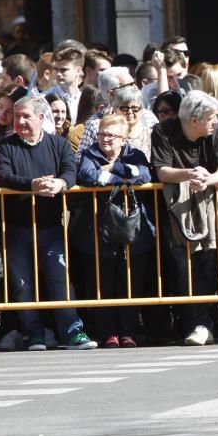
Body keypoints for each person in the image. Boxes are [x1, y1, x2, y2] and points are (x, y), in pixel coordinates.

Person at [0, 95, 95, 350]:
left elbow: (70, 171)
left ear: (41, 118)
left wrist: (60, 183)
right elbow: (3, 175)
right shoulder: (6, 146)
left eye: (26, 116)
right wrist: (32, 184)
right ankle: (33, 333)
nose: (20, 121)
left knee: (60, 278)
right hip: (15, 227)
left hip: (51, 226)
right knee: (22, 283)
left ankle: (72, 331)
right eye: (17, 116)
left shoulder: (58, 145)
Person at [150, 90, 218, 345]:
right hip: (176, 210)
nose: (216, 123)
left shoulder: (216, 133)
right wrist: (189, 174)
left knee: (208, 264)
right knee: (184, 266)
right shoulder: (163, 131)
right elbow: (162, 170)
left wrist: (208, 178)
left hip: (209, 208)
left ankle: (204, 324)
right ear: (194, 120)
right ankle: (192, 323)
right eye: (210, 118)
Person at [75, 114, 154, 348]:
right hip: (99, 229)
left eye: (111, 135)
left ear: (123, 138)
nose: (105, 139)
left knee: (129, 278)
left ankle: (128, 330)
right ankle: (108, 331)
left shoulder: (134, 153)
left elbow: (145, 174)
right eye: (102, 134)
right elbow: (88, 175)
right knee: (102, 280)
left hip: (131, 229)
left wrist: (115, 168)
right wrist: (122, 176)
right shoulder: (90, 153)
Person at [42, 46, 84, 113]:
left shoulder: (84, 99)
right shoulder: (44, 99)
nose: (58, 74)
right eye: (56, 69)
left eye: (63, 70)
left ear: (78, 71)